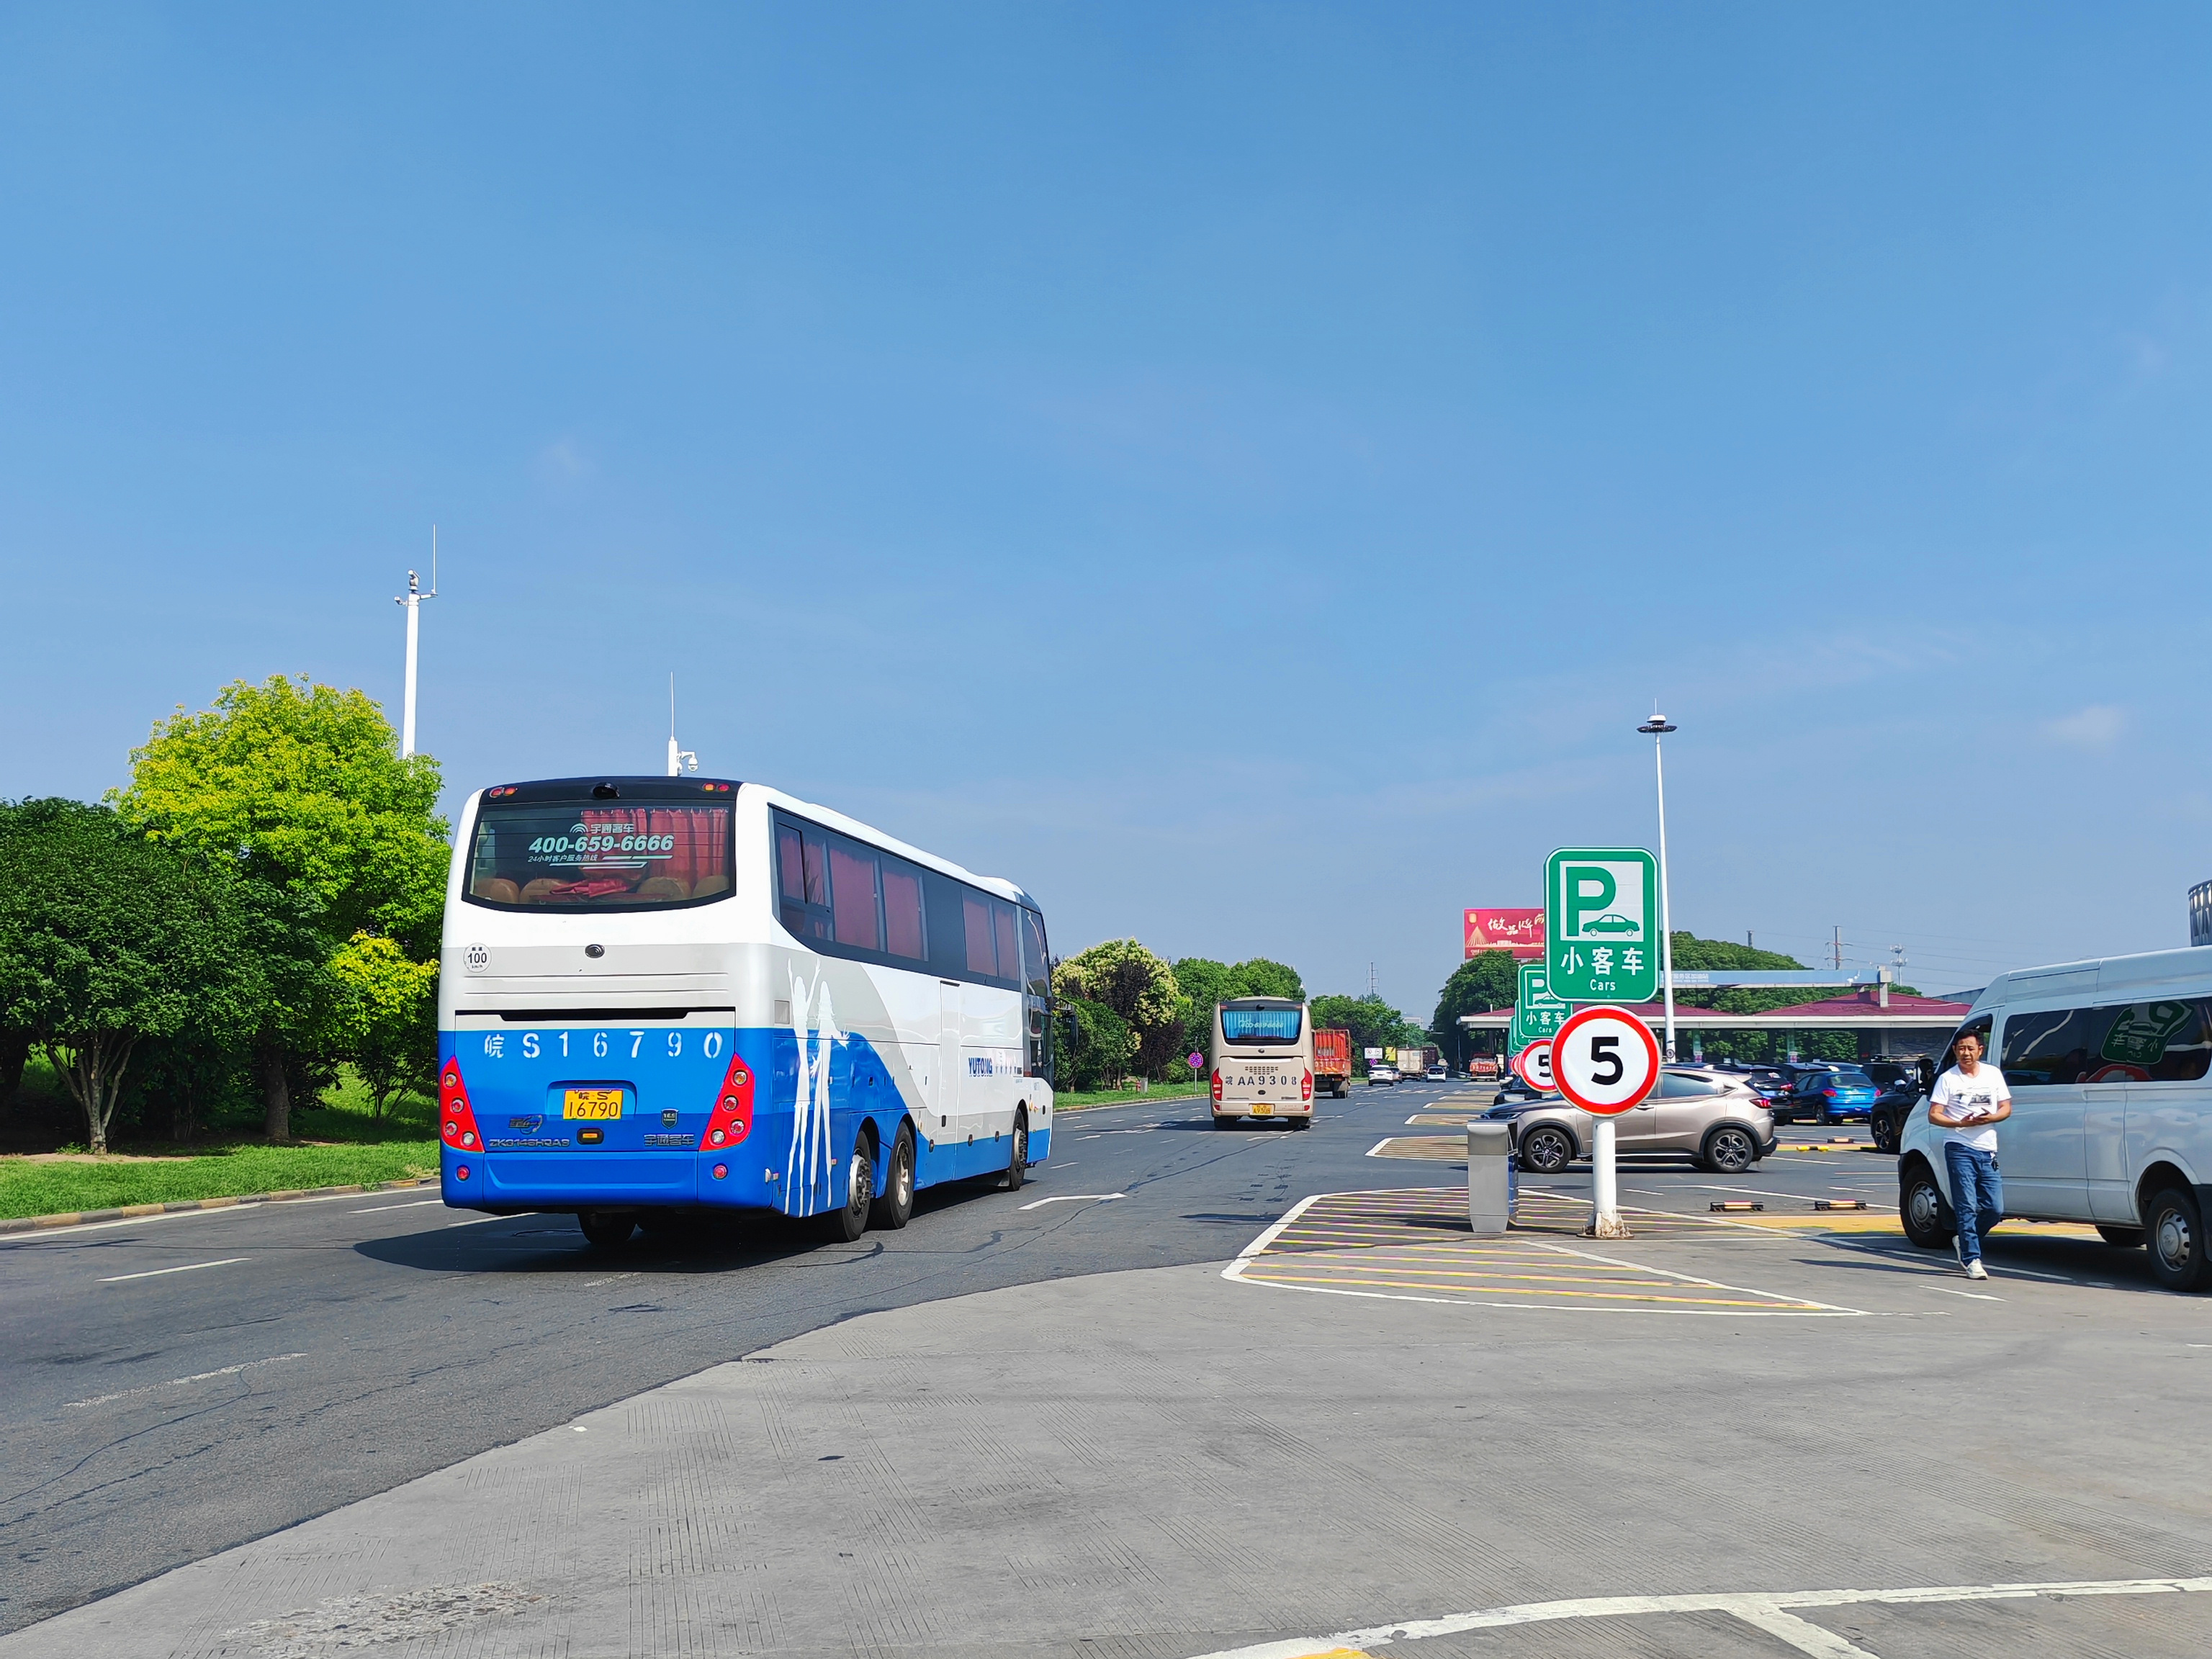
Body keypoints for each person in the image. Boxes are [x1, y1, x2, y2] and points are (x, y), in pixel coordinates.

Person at [1928, 1032, 2011, 1278]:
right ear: (1955, 1051)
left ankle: (1964, 1239)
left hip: (1988, 1148)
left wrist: (1991, 1118)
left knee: (1995, 1208)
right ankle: (1972, 1259)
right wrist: (1957, 1123)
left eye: (1971, 1048)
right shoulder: (1948, 1079)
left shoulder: (1992, 1074)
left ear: (1980, 1050)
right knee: (1966, 1206)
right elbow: (1934, 1114)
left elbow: (2006, 1107)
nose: (1966, 1053)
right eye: (1961, 1048)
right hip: (1959, 1147)